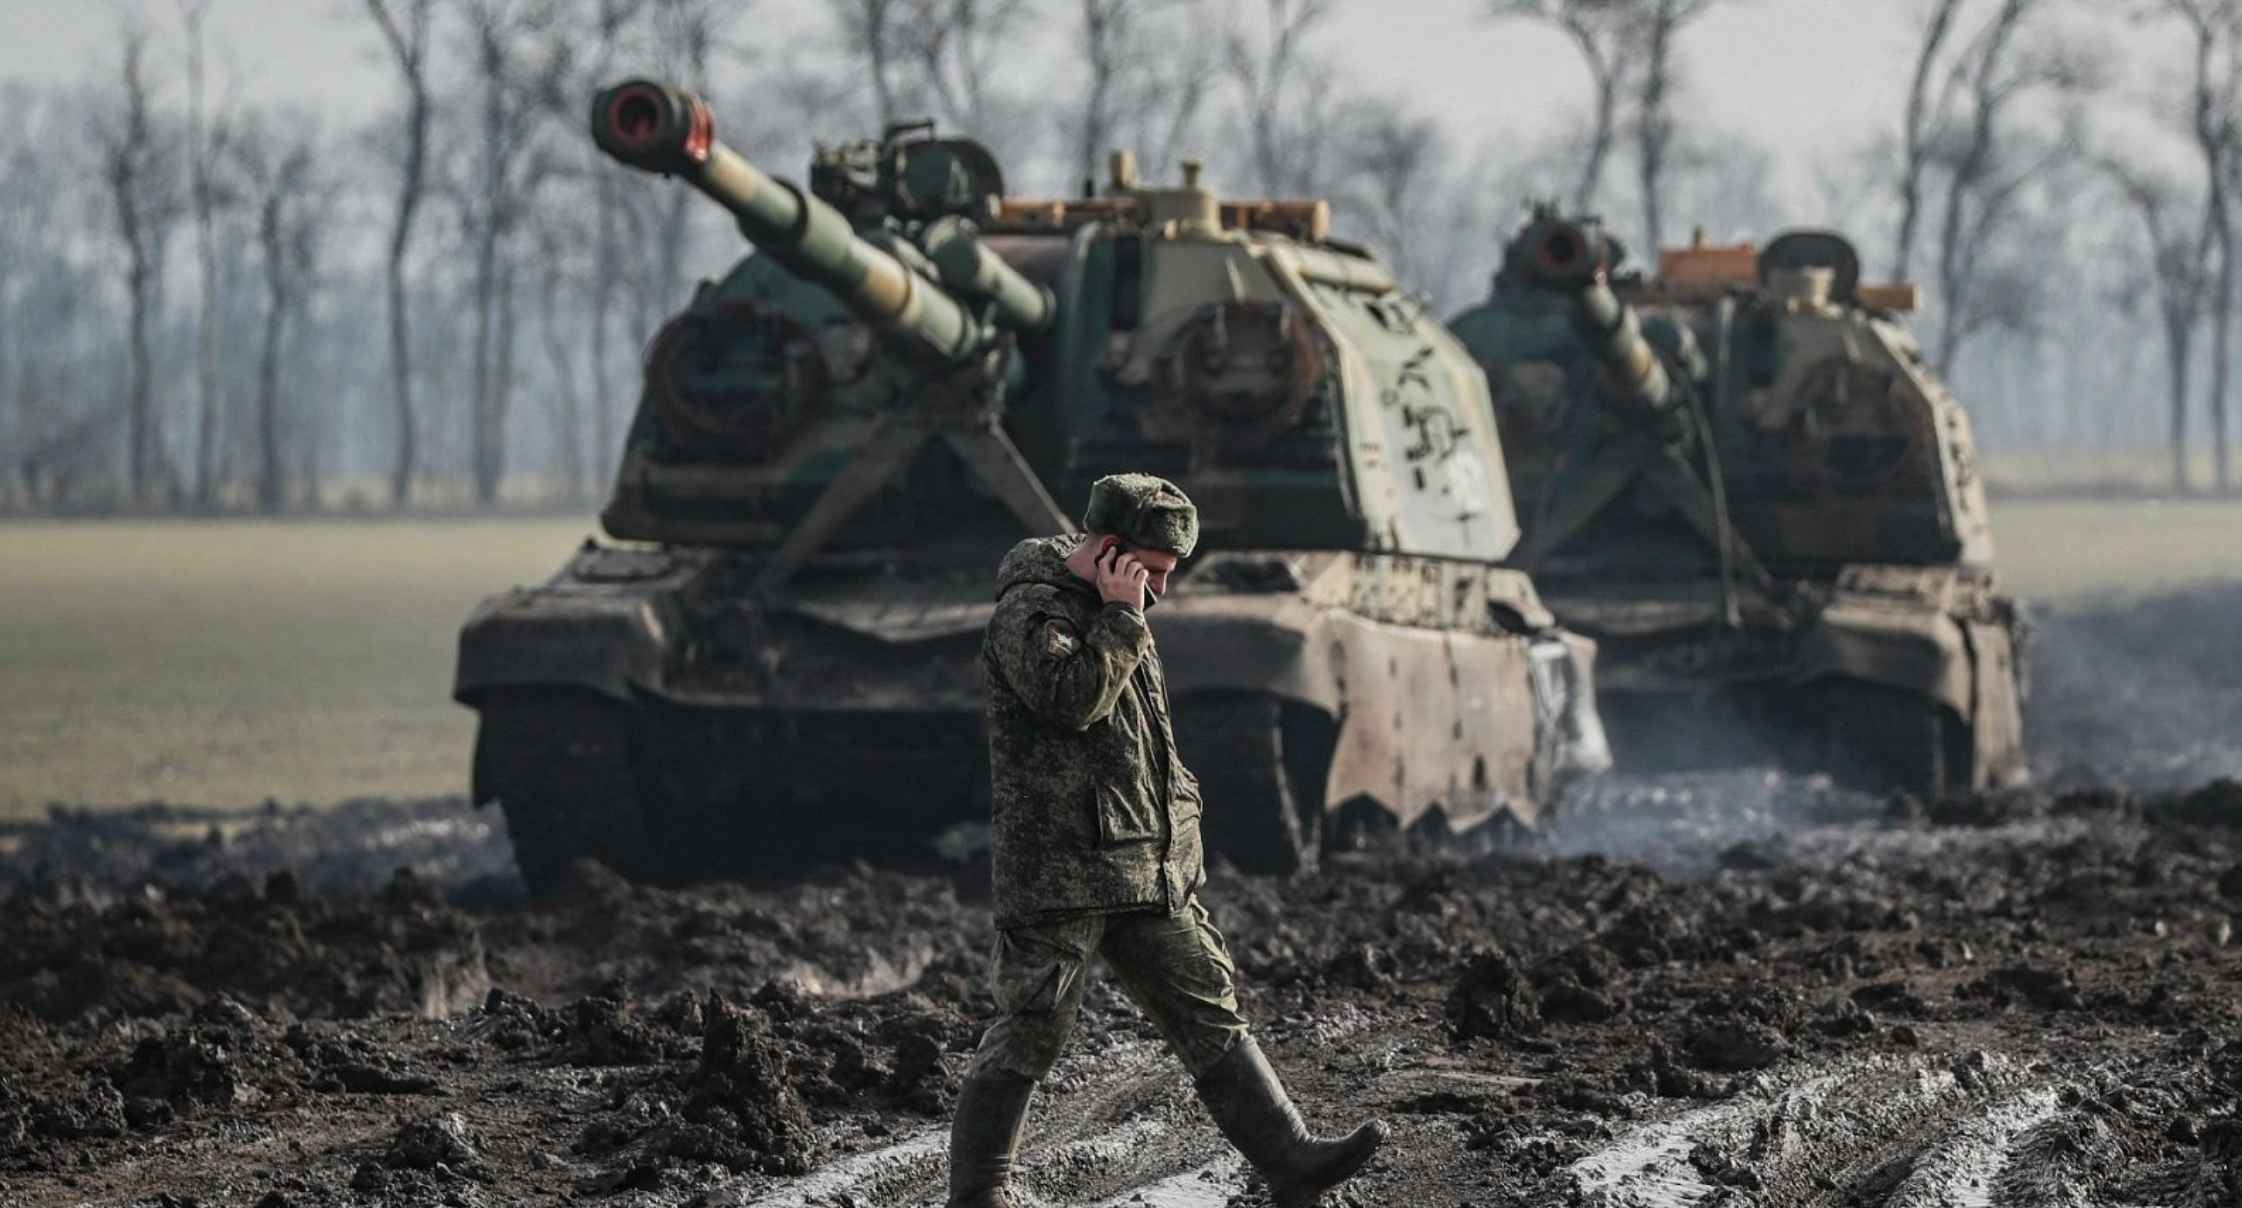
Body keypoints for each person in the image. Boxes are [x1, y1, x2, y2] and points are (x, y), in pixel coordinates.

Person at [948, 473, 1386, 1208]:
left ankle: (1289, 1159)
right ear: (1113, 552)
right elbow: (1071, 703)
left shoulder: (1118, 608)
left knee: (1208, 1008)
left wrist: (1179, 833)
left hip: (1145, 867)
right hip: (1063, 874)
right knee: (1031, 1029)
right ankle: (980, 1192)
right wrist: (1119, 619)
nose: (1156, 593)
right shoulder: (1033, 614)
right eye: (1149, 574)